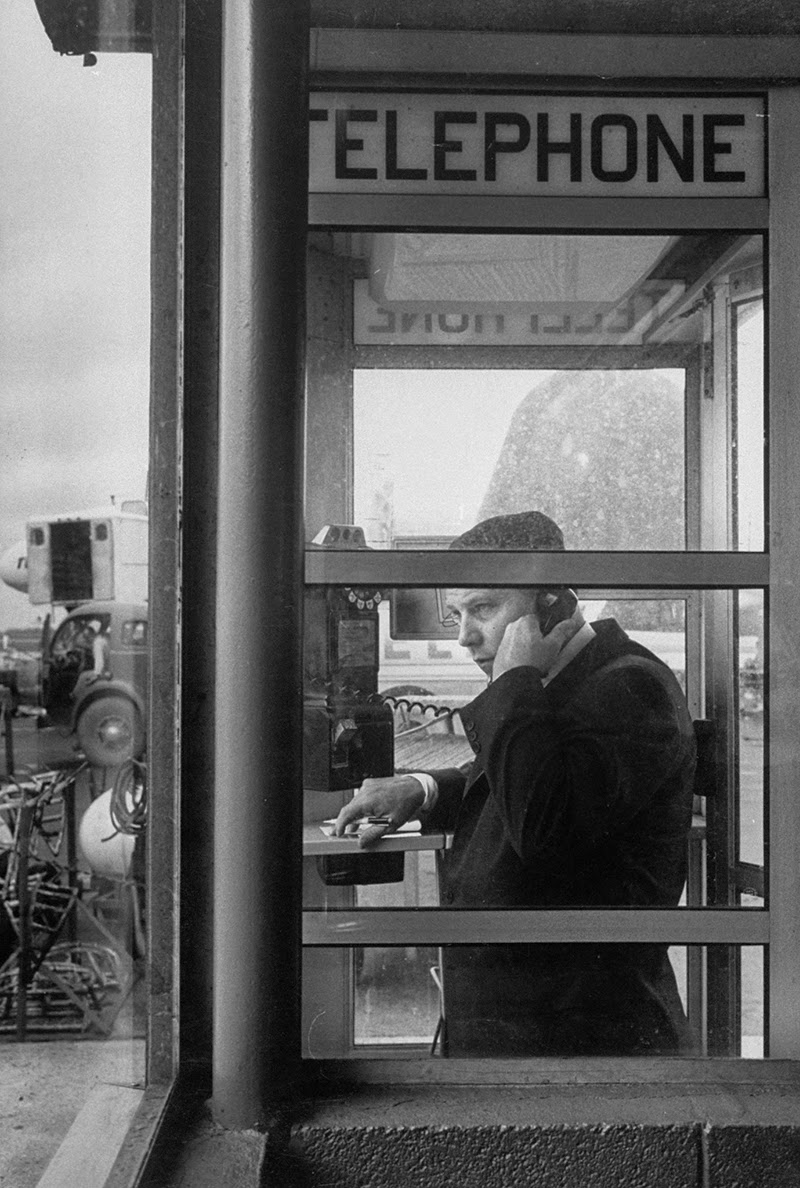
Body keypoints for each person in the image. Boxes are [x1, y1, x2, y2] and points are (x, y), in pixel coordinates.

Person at [334, 510, 697, 1057]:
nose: (464, 636)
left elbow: (544, 821)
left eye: (482, 608)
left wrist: (512, 679)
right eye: (457, 612)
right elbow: (513, 780)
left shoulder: (629, 689)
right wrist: (422, 788)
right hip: (523, 1024)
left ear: (550, 605)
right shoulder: (564, 683)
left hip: (579, 1042)